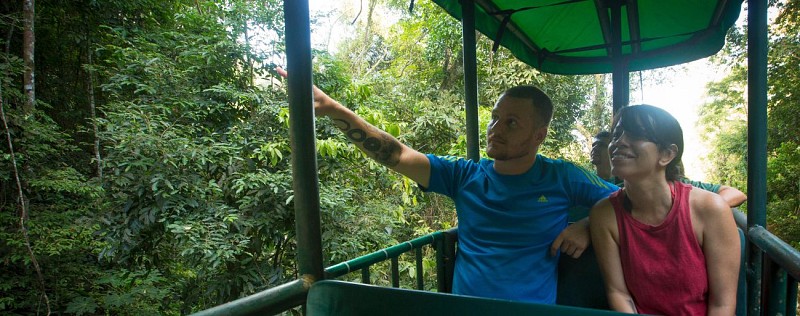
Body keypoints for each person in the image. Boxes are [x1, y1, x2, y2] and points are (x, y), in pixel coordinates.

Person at [276, 67, 618, 304]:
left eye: (511, 123)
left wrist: (587, 224)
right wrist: (333, 109)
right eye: (496, 117)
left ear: (538, 135)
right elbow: (396, 155)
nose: (496, 129)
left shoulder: (562, 176)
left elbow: (623, 198)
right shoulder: (465, 175)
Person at [589, 105, 740, 315]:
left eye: (636, 135)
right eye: (617, 134)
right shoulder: (605, 215)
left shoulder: (709, 209)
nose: (618, 142)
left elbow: (722, 304)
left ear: (667, 154)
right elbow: (618, 293)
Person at [590, 130, 747, 207]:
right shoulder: (621, 191)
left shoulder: (691, 189)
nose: (620, 143)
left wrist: (698, 210)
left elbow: (736, 194)